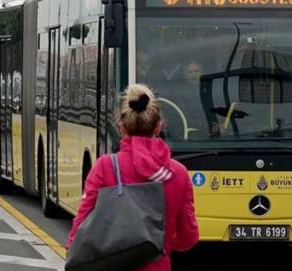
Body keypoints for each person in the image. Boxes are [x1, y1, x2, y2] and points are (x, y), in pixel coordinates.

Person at [67, 84, 199, 270]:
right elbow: (188, 236)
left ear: (121, 127)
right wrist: (157, 243)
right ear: (158, 126)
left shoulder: (105, 167)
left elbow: (81, 225)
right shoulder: (178, 174)